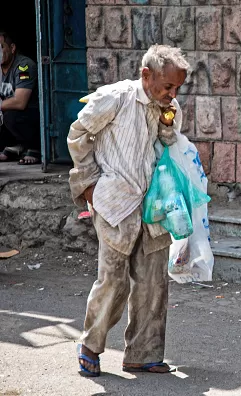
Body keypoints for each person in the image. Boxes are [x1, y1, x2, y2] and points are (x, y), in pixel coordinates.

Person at [67, 44, 189, 377]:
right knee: (114, 281)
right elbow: (78, 134)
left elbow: (169, 142)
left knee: (153, 282)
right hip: (114, 203)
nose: (172, 93)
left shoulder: (169, 105)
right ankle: (90, 346)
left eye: (177, 88)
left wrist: (167, 120)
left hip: (153, 205)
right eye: (167, 86)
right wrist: (88, 184)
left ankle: (143, 353)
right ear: (146, 75)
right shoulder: (116, 97)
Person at [0, 31, 41, 165]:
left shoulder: (24, 65)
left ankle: (35, 147)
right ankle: (14, 146)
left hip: (29, 117)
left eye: (1, 47)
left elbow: (20, 102)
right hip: (7, 119)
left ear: (12, 48)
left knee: (11, 116)